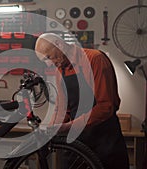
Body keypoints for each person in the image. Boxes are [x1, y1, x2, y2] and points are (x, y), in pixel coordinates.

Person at [34, 33, 129, 169]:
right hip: (77, 142)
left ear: (59, 44)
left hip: (105, 140)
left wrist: (69, 126)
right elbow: (62, 108)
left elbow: (106, 106)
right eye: (45, 61)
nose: (49, 64)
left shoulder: (95, 59)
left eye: (48, 57)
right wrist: (51, 127)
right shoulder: (60, 70)